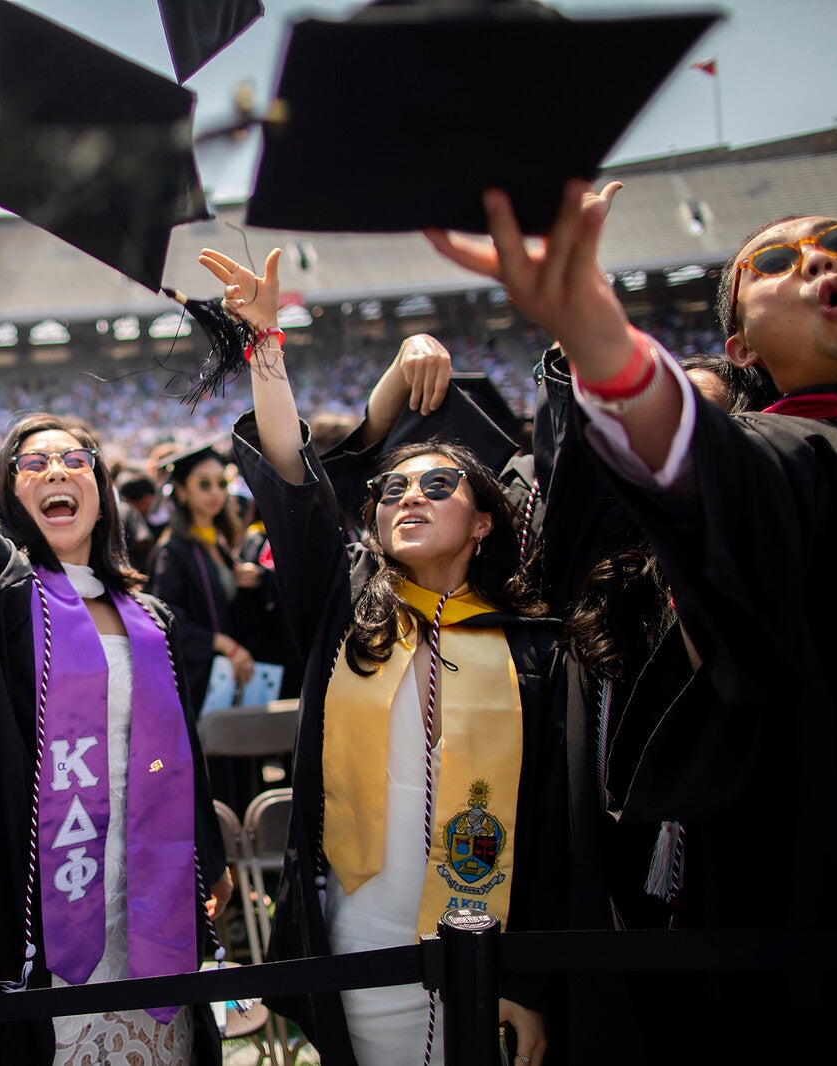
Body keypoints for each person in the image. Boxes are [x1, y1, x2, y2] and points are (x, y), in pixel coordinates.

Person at [427, 181, 837, 1064]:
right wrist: (598, 337)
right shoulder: (789, 469)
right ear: (742, 345)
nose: (817, 261)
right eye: (775, 263)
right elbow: (711, 470)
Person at [0, 165, 229, 1066]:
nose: (57, 470)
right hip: (39, 931)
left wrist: (207, 866)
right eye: (32, 461)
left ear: (102, 491)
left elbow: (183, 757)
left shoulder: (152, 617)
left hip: (151, 924)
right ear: (3, 493)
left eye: (75, 458)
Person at [198, 246, 569, 1066]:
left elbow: (553, 832)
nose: (409, 497)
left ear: (484, 523)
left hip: (493, 942)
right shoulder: (346, 608)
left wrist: (534, 983)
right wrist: (265, 348)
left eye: (439, 488)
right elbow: (295, 488)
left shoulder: (532, 648)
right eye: (393, 489)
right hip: (361, 941)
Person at [146, 442, 261, 720]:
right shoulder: (173, 551)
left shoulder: (219, 542)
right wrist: (222, 643)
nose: (216, 492)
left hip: (232, 675)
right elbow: (165, 620)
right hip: (202, 685)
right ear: (182, 492)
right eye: (204, 484)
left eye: (221, 483)